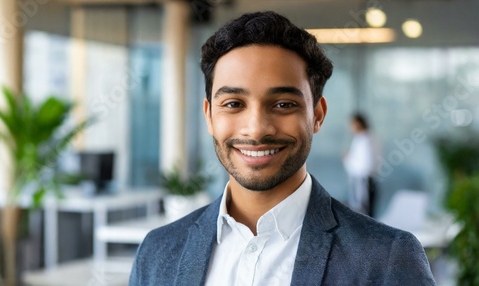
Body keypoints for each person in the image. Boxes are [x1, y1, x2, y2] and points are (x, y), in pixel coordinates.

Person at [130, 11, 436, 285]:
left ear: (317, 114)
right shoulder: (158, 252)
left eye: (283, 104)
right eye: (234, 104)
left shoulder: (386, 258)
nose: (257, 128)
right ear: (209, 115)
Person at [343, 113, 378, 217]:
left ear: (358, 123)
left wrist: (347, 159)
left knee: (362, 211)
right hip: (368, 178)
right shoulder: (370, 138)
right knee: (366, 211)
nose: (350, 128)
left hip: (362, 179)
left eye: (352, 124)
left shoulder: (364, 140)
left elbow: (364, 164)